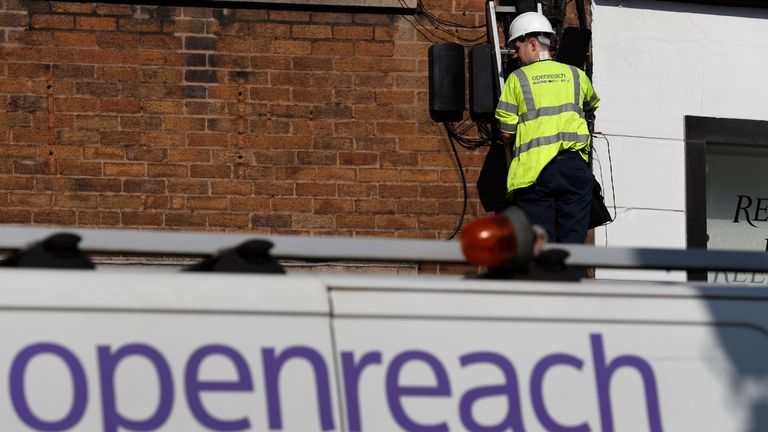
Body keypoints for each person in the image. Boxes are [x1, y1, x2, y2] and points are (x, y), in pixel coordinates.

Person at [495, 12, 600, 244]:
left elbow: (506, 132)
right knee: (573, 251)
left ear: (532, 44)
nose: (514, 54)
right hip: (574, 170)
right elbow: (592, 103)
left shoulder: (517, 79)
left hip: (536, 175)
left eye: (517, 47)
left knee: (541, 250)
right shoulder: (576, 74)